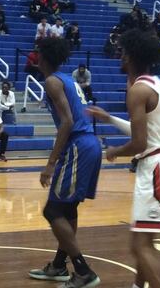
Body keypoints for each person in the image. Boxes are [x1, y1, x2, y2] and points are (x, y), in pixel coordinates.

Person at [85, 30, 160, 288]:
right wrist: (110, 119)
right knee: (145, 242)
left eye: (123, 52)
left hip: (158, 167)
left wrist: (115, 151)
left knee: (140, 246)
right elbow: (147, 133)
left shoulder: (138, 90)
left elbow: (140, 143)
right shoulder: (154, 84)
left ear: (130, 56)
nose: (120, 56)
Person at [27, 37, 102, 288]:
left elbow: (68, 122)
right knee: (67, 209)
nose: (35, 56)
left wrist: (51, 163)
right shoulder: (66, 78)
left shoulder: (51, 81)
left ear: (44, 57)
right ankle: (59, 265)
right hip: (89, 143)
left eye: (38, 53)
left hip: (78, 144)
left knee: (53, 210)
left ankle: (83, 271)